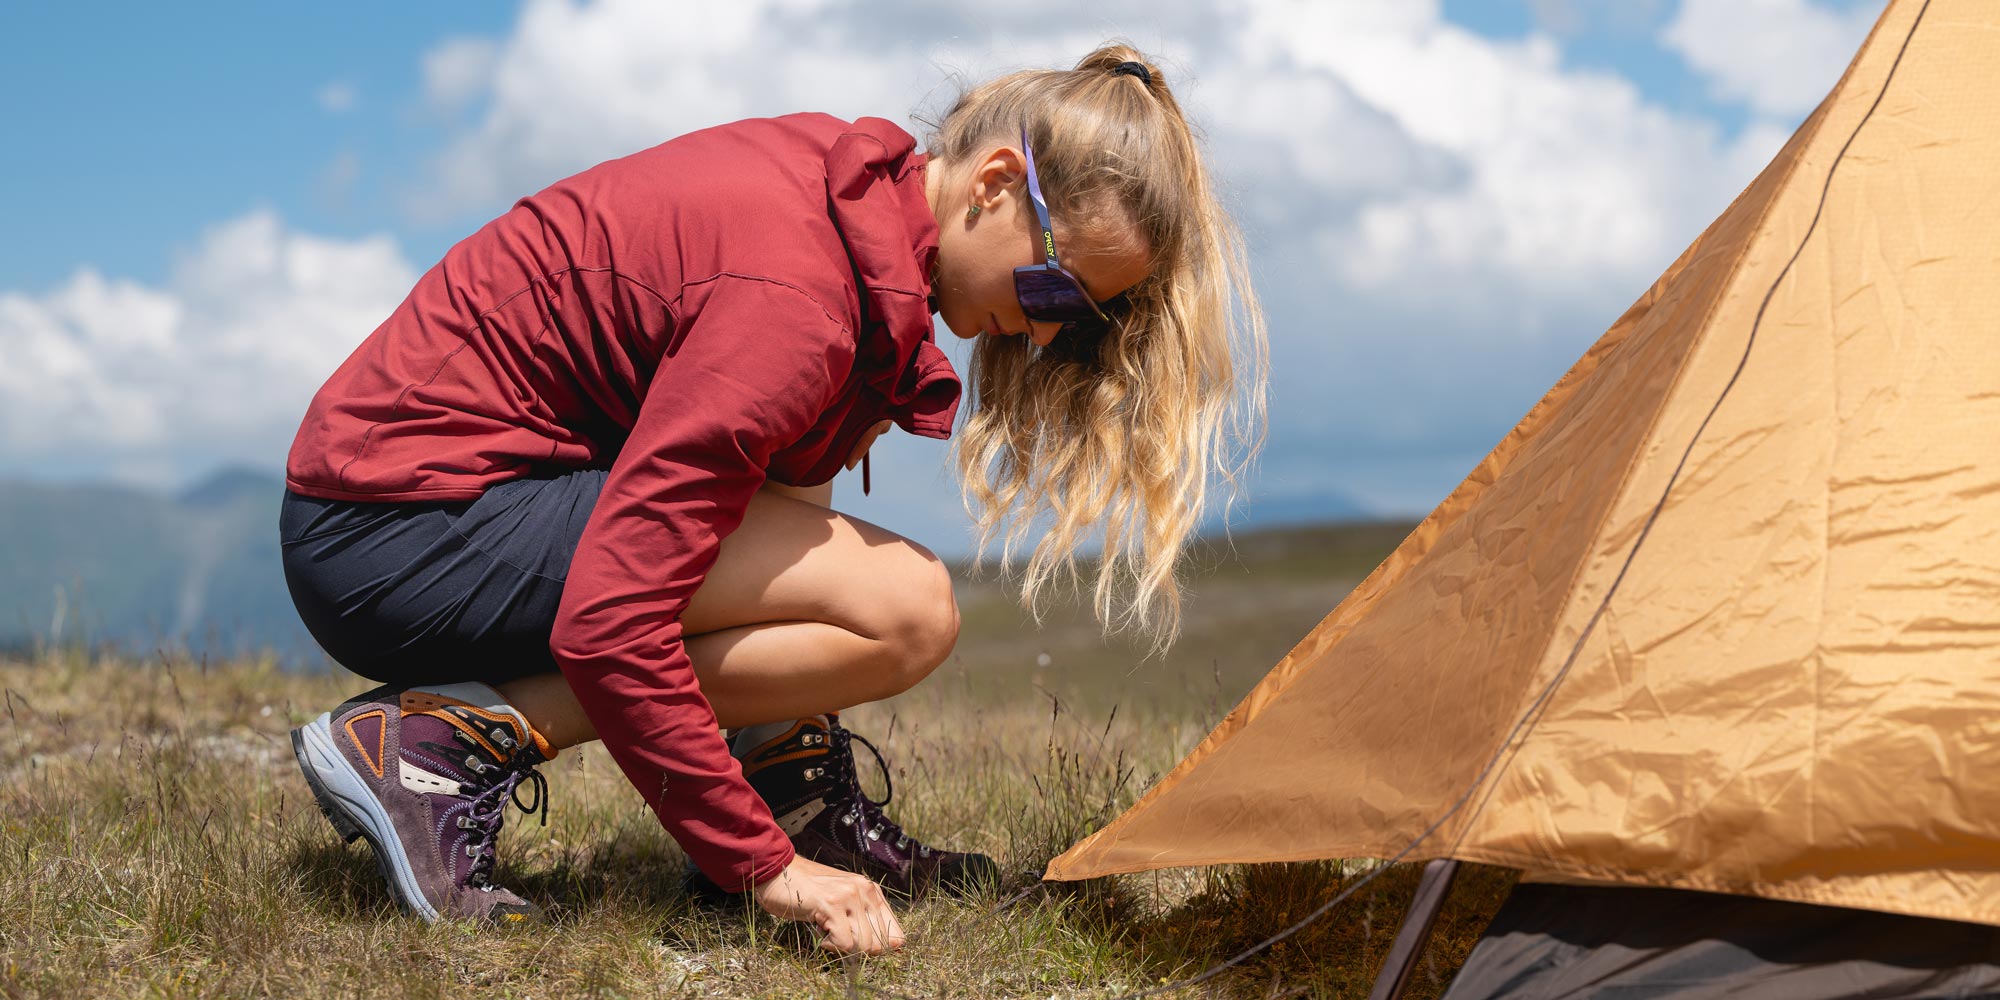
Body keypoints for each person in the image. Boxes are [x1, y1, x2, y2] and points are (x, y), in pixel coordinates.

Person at [279, 44, 1266, 956]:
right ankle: (428, 749)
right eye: (1057, 294)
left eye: (1082, 322)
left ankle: (794, 792)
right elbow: (612, 616)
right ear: (996, 184)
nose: (1049, 338)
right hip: (393, 529)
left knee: (867, 585)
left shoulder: (851, 227)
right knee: (901, 608)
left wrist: (784, 820)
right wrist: (760, 864)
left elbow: (768, 516)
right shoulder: (796, 299)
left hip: (433, 509)